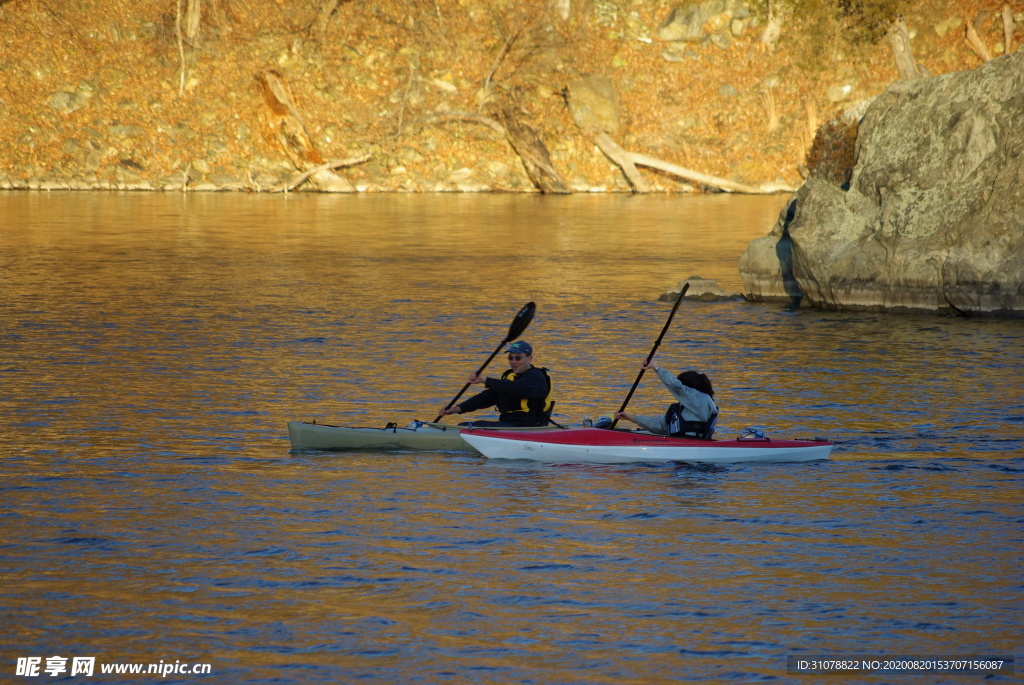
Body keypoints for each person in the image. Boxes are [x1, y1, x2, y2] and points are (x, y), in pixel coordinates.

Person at [438, 341, 553, 427]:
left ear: (530, 359)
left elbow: (518, 389)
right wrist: (456, 409)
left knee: (471, 426)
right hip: (507, 425)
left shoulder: (537, 377)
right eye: (510, 358)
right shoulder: (509, 377)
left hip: (528, 427)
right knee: (464, 425)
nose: (513, 362)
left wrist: (485, 380)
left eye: (518, 358)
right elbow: (486, 398)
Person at [615, 360, 718, 438]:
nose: (678, 394)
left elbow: (676, 386)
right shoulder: (681, 408)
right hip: (678, 445)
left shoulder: (702, 401)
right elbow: (659, 425)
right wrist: (631, 417)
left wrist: (656, 367)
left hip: (692, 447)